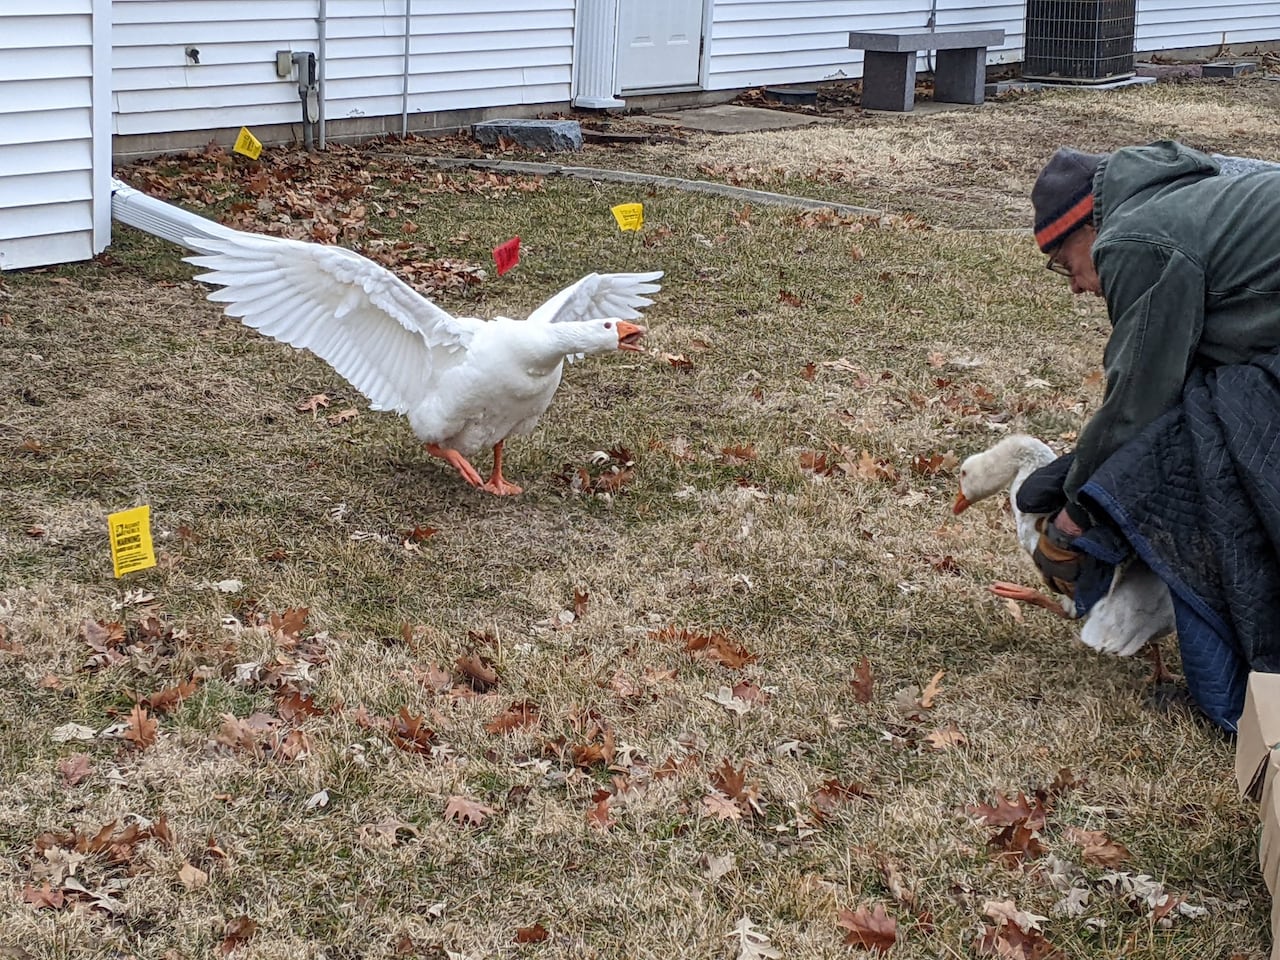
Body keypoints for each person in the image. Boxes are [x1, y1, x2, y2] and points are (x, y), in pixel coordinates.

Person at [1019, 140, 1280, 729]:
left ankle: (1240, 701)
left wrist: (1076, 515)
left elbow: (1141, 396)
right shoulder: (1185, 197)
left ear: (1086, 227)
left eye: (1064, 262)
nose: (1075, 286)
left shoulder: (1134, 239)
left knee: (1207, 470)